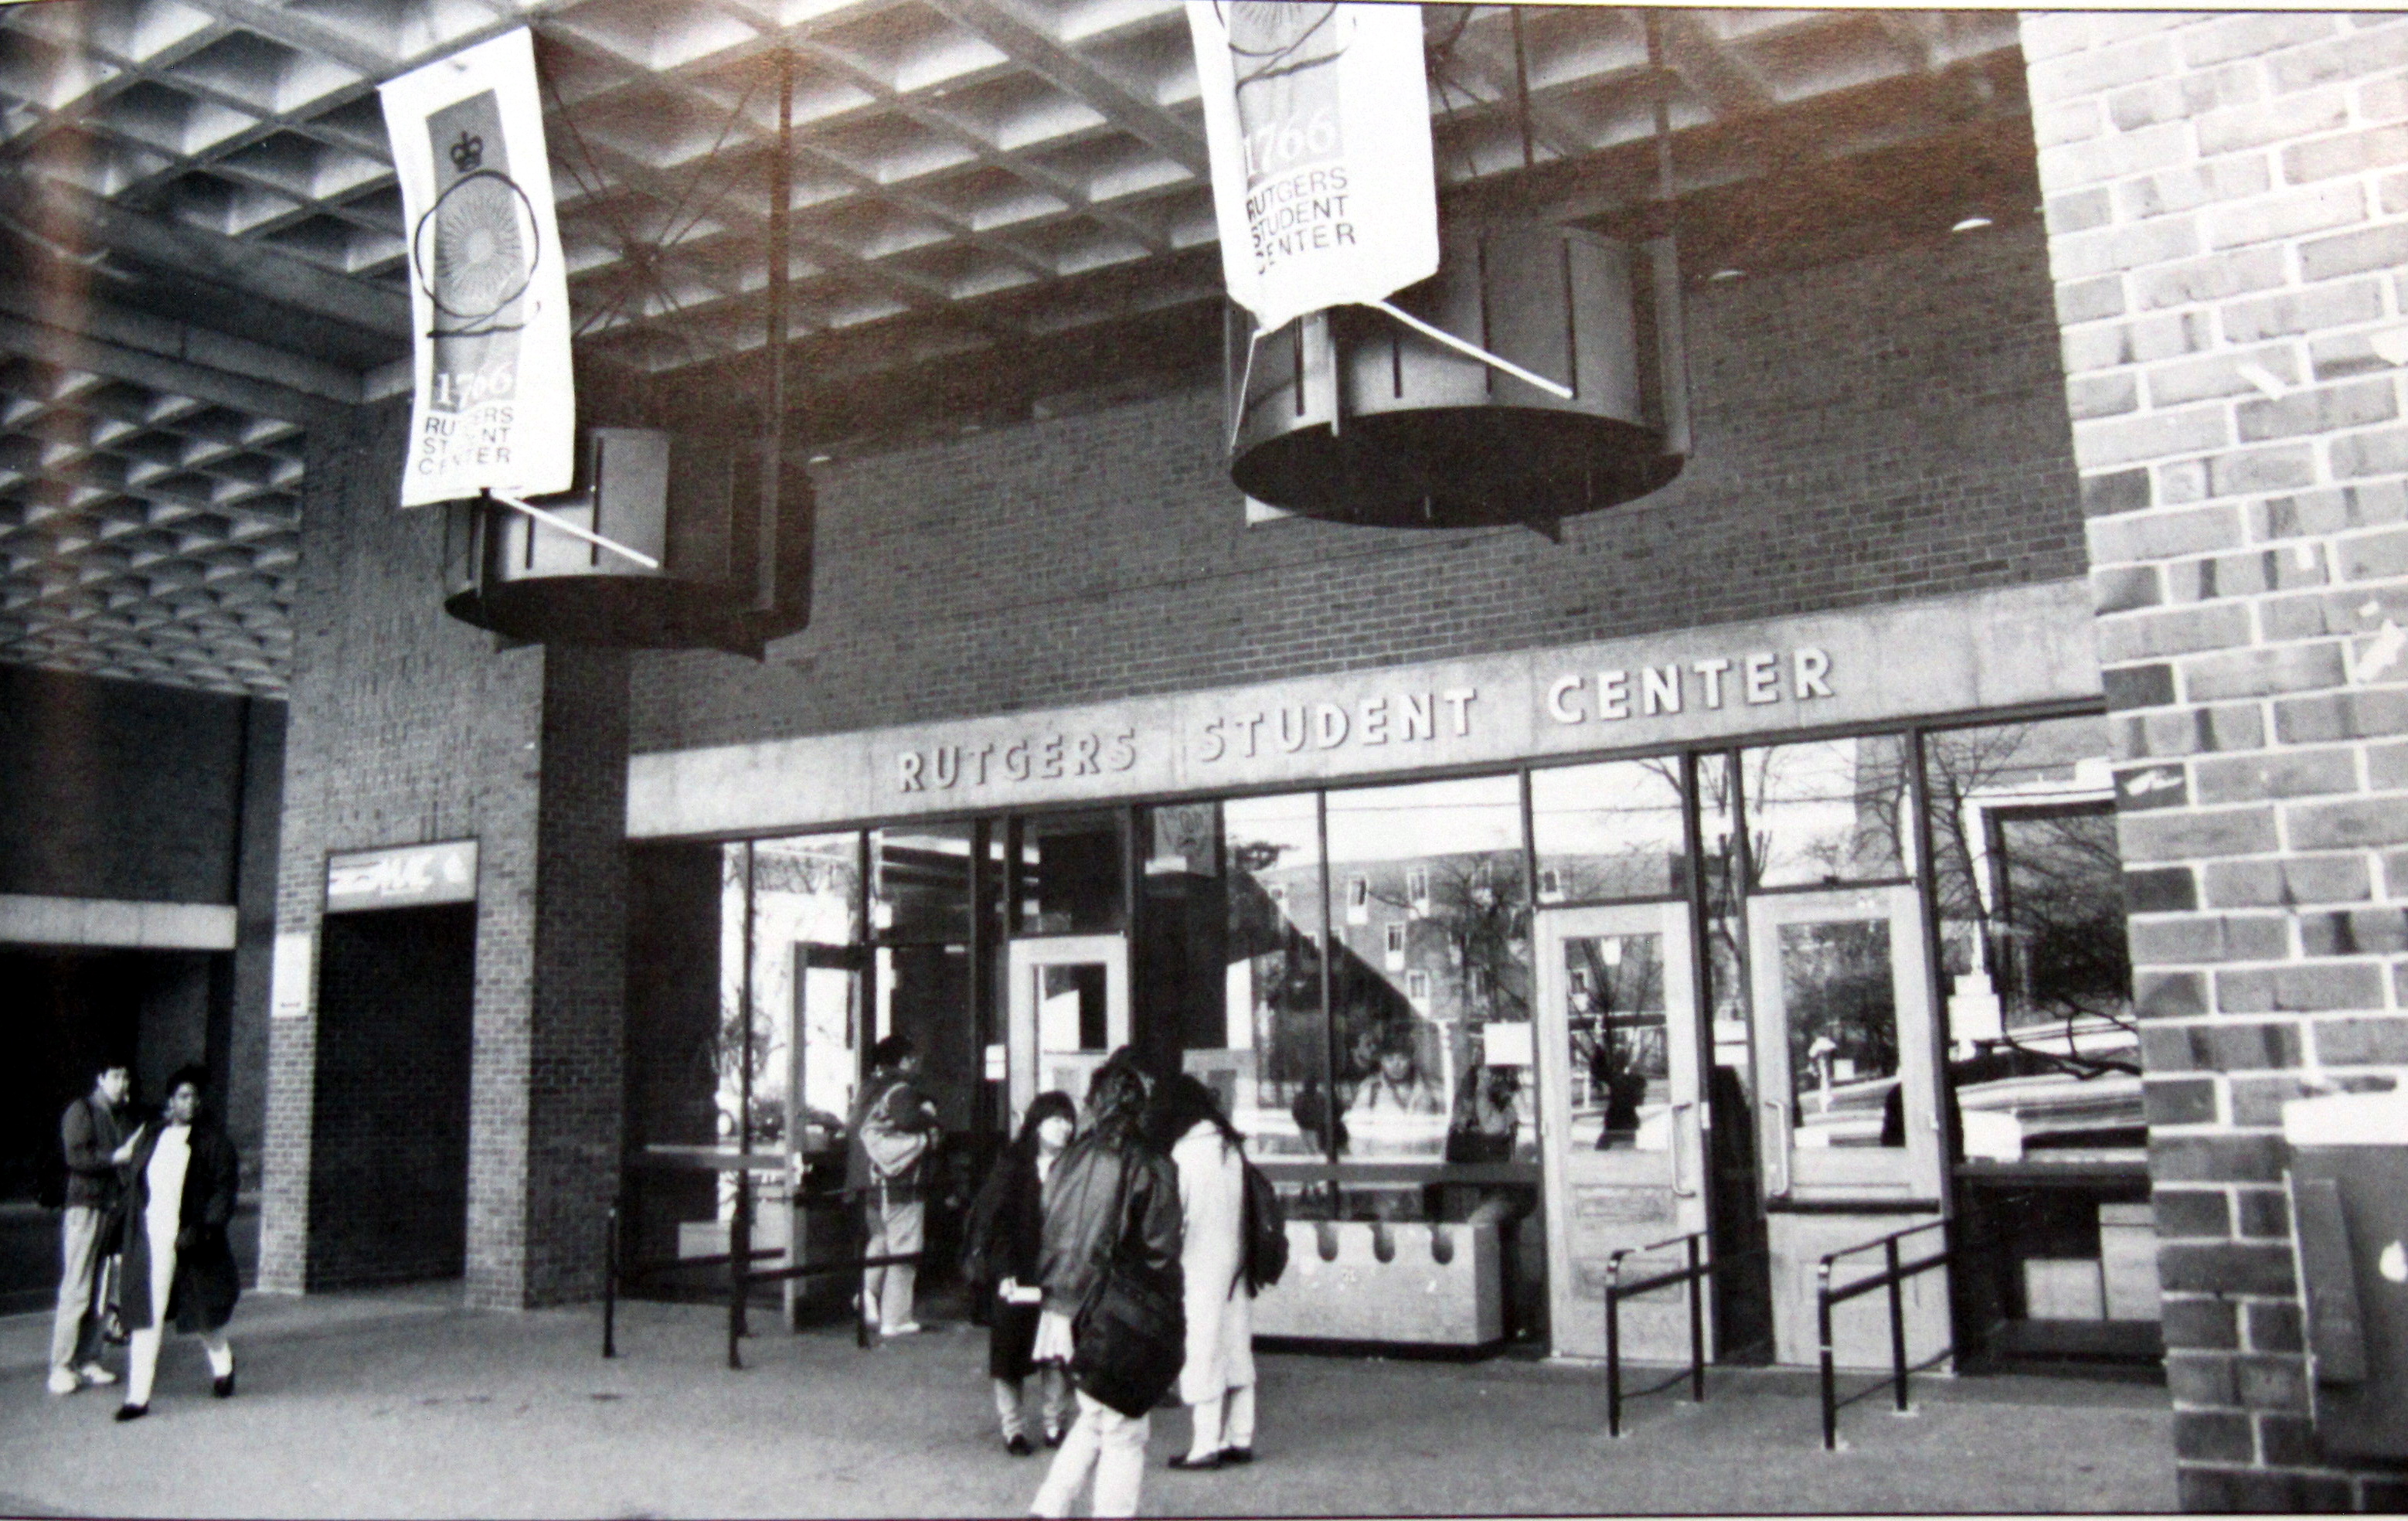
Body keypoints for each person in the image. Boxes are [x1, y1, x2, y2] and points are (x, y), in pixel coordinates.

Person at [1027, 1053, 1181, 1520]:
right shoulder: (1150, 1163)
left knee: (1097, 1414)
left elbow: (1050, 1223)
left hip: (1064, 1304)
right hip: (1120, 1307)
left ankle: (1049, 1507)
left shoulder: (1070, 1157)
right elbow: (1161, 1250)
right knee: (1125, 1430)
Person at [1146, 1073, 1260, 1472]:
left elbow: (1169, 1220)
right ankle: (1241, 1436)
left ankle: (1205, 1445)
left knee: (1203, 1352)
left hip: (1197, 1264)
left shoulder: (1184, 1154)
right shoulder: (1229, 1147)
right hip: (1235, 1263)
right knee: (1236, 1348)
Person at [114, 1065, 240, 1421]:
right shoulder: (153, 1135)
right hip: (151, 1237)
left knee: (201, 1312)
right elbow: (132, 1175)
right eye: (184, 1096)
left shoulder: (213, 1142)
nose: (191, 1102)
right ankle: (137, 1397)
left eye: (196, 1096)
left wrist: (207, 1227)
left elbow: (223, 1189)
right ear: (171, 1100)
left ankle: (224, 1363)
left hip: (191, 1238)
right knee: (146, 1314)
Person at [964, 1091, 1077, 1455]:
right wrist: (1003, 1270)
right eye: (1056, 1119)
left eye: (1068, 1120)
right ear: (1037, 1123)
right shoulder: (1013, 1165)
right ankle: (1012, 1428)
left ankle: (1054, 1424)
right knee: (1010, 1353)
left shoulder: (1076, 1166)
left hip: (1059, 1272)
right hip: (1017, 1271)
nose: (1065, 1127)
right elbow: (992, 1222)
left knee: (1057, 1352)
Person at [847, 1034, 940, 1336]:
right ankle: (895, 1318)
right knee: (906, 1247)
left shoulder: (867, 1090)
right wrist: (930, 1113)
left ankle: (867, 1296)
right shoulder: (901, 1090)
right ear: (903, 1061)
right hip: (898, 1182)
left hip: (867, 1181)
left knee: (881, 1240)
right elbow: (912, 1121)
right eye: (913, 1059)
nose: (916, 1065)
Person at [49, 1062, 132, 1396]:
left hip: (109, 1208)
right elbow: (77, 1158)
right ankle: (61, 1366)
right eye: (114, 1076)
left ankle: (88, 1358)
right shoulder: (81, 1110)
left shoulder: (118, 1115)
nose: (121, 1083)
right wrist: (116, 1158)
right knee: (77, 1288)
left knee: (100, 1290)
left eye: (125, 1077)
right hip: (84, 1208)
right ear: (100, 1079)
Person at [1353, 1043, 1442, 1114]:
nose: (1396, 1065)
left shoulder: (1431, 1087)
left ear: (1411, 1060)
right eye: (1389, 1059)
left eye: (1402, 1058)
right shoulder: (1370, 1089)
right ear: (1382, 1062)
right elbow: (1358, 1124)